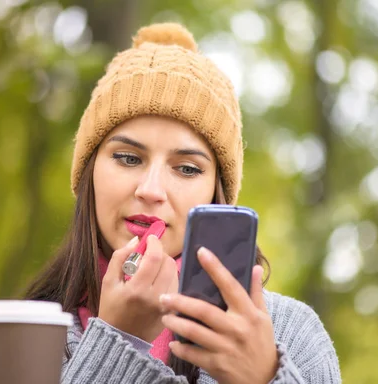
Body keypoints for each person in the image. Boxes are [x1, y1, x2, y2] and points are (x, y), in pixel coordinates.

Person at [25, 22, 341, 383]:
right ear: (89, 174)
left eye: (187, 168)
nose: (151, 189)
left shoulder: (293, 334)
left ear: (215, 193)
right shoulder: (22, 332)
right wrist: (116, 339)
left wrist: (263, 378)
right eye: (128, 158)